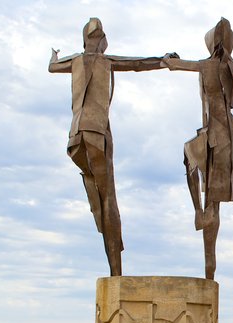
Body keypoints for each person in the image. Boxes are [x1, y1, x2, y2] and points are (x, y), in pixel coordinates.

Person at [48, 18, 173, 276]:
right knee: (108, 200)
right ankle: (116, 270)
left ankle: (109, 247)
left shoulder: (74, 61)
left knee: (98, 194)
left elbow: (51, 67)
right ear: (104, 42)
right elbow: (138, 63)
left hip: (75, 139)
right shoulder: (106, 61)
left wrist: (54, 55)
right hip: (96, 133)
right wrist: (162, 60)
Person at [165, 18, 233, 280]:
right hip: (225, 131)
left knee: (210, 197)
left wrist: (170, 60)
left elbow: (179, 65)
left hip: (218, 132)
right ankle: (200, 215)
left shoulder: (208, 65)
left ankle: (200, 216)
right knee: (191, 160)